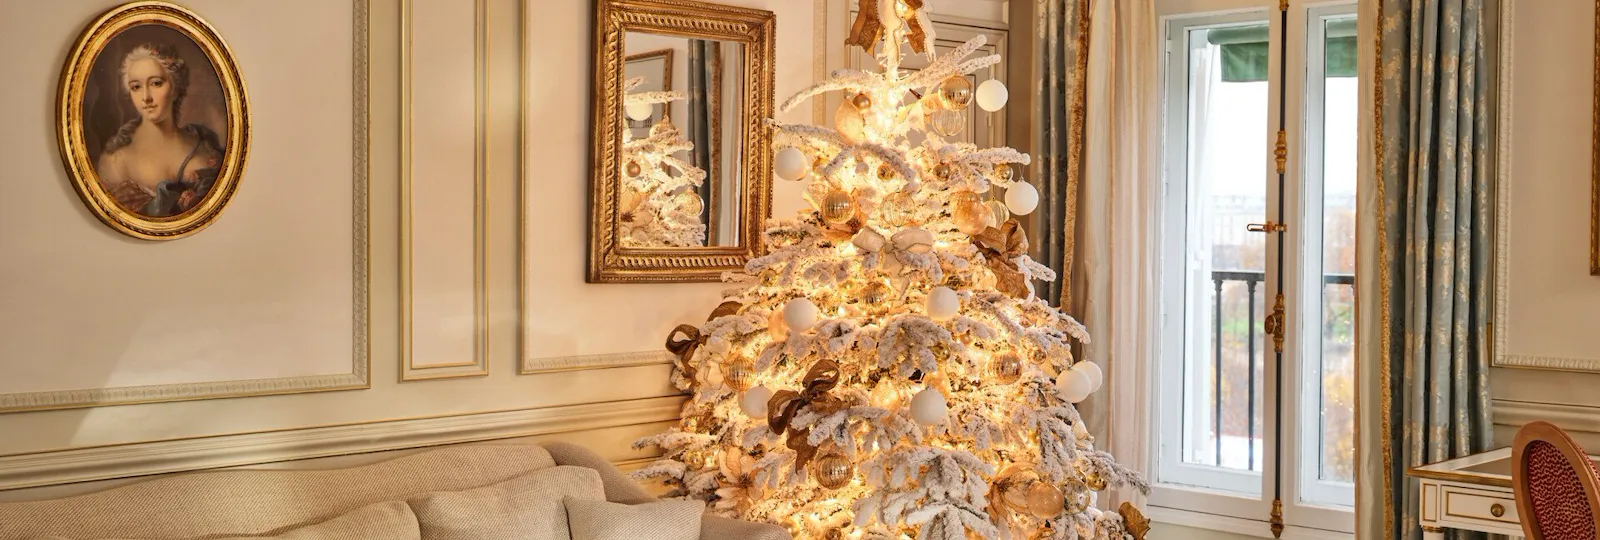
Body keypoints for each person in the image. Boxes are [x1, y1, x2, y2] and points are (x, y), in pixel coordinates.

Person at [95, 42, 224, 218]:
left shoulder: (204, 147)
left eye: (156, 83)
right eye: (136, 87)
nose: (146, 97)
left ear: (175, 88)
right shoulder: (116, 160)